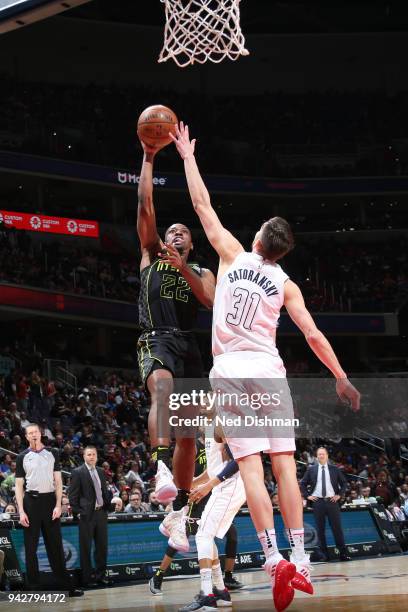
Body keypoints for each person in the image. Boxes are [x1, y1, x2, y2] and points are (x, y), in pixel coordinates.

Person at [170, 123, 360, 612]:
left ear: (258, 238)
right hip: (271, 371)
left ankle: (272, 555)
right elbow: (314, 336)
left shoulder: (233, 255)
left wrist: (188, 157)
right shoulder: (287, 285)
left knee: (250, 467)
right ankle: (301, 556)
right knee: (285, 466)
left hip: (231, 368)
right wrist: (341, 377)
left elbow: (202, 208)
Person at [136, 135, 215, 548]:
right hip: (156, 338)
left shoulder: (199, 268)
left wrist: (182, 265)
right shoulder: (150, 253)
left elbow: (209, 299)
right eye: (172, 231)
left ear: (190, 243)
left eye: (182, 231)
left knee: (190, 436)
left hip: (190, 346)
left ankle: (178, 513)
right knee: (161, 391)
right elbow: (146, 206)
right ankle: (160, 468)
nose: (176, 233)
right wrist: (149, 157)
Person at [14, 423, 83, 596]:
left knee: (56, 546)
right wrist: (21, 511)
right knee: (31, 548)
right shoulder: (22, 456)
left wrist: (58, 505)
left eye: (35, 432)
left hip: (50, 501)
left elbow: (58, 482)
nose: (33, 435)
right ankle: (34, 588)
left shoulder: (53, 453)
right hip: (31, 502)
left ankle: (66, 587)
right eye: (30, 433)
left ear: (41, 433)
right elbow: (19, 486)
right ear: (26, 437)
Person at [68, 446, 113, 588]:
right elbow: (73, 495)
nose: (91, 457)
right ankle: (87, 579)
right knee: (86, 547)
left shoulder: (100, 471)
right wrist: (78, 512)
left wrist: (108, 504)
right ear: (84, 456)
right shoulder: (77, 472)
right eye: (89, 454)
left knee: (101, 547)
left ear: (97, 456)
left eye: (94, 454)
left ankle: (100, 577)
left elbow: (103, 491)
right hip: (86, 515)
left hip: (101, 513)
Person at [300, 447, 350, 561]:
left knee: (337, 529)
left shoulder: (334, 469)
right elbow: (302, 483)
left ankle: (343, 553)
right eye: (319, 454)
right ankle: (325, 555)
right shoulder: (311, 469)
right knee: (320, 529)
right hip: (318, 502)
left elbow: (344, 483)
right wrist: (308, 496)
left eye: (323, 454)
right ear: (317, 457)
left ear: (327, 456)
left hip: (332, 502)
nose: (321, 456)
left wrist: (339, 495)